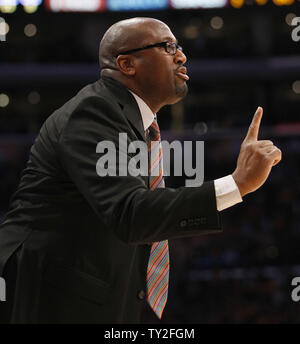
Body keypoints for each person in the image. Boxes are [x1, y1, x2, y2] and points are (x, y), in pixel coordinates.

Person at [0, 17, 281, 324]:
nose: (182, 56)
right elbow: (130, 213)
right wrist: (236, 184)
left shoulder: (131, 122)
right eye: (168, 46)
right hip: (48, 298)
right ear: (127, 64)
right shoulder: (94, 111)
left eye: (180, 46)